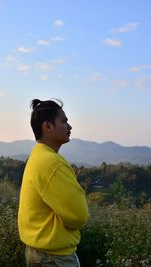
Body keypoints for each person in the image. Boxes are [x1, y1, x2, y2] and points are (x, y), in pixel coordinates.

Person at [18, 99, 89, 267]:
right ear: (47, 126)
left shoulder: (37, 156)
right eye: (64, 121)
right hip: (53, 258)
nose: (69, 127)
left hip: (37, 252)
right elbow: (79, 216)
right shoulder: (53, 163)